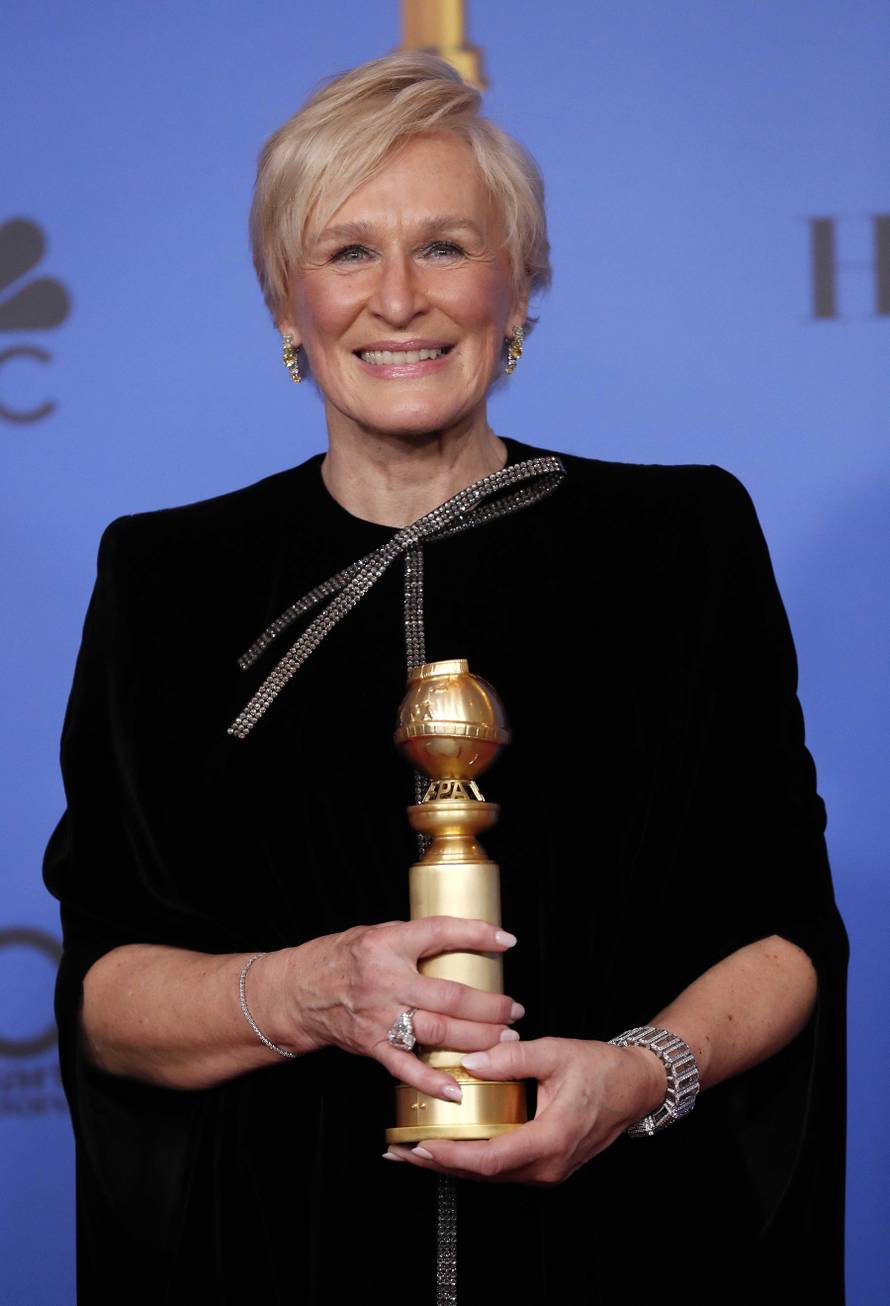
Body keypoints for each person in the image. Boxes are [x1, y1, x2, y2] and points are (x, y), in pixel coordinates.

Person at [44, 49, 848, 1305]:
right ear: (282, 306)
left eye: (446, 247)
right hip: (282, 1250)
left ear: (518, 290)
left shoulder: (679, 543)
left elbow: (786, 927)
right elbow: (104, 996)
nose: (398, 300)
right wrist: (311, 992)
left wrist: (639, 1074)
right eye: (348, 251)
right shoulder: (166, 579)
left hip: (624, 1247)